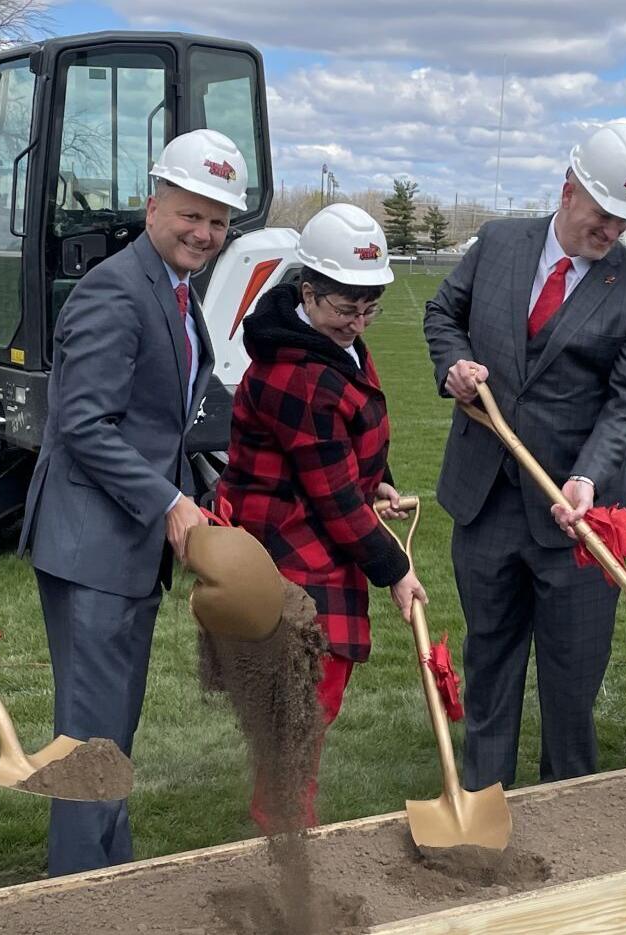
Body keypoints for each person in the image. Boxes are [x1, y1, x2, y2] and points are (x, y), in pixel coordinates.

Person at [18, 129, 245, 875]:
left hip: (125, 546)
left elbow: (159, 422)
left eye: (217, 222)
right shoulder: (115, 289)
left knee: (113, 733)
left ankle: (108, 881)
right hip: (92, 546)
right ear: (155, 206)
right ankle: (78, 897)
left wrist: (199, 491)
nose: (205, 233)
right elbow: (81, 423)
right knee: (90, 743)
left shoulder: (173, 290)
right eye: (192, 214)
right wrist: (168, 503)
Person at [425, 122, 626, 790]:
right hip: (486, 504)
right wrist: (452, 364)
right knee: (491, 673)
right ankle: (485, 809)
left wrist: (588, 475)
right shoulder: (500, 242)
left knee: (570, 694)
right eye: (602, 213)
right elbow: (441, 315)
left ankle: (568, 823)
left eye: (625, 218)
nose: (613, 229)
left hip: (577, 521)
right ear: (568, 191)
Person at [216, 203, 428, 830]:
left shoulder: (339, 349)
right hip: (290, 559)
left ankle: (287, 828)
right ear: (307, 292)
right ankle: (284, 842)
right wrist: (395, 570)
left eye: (369, 308)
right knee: (300, 712)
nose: (358, 323)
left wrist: (380, 481)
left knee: (310, 711)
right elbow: (334, 498)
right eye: (345, 308)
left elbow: (350, 453)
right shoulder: (298, 375)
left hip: (319, 548)